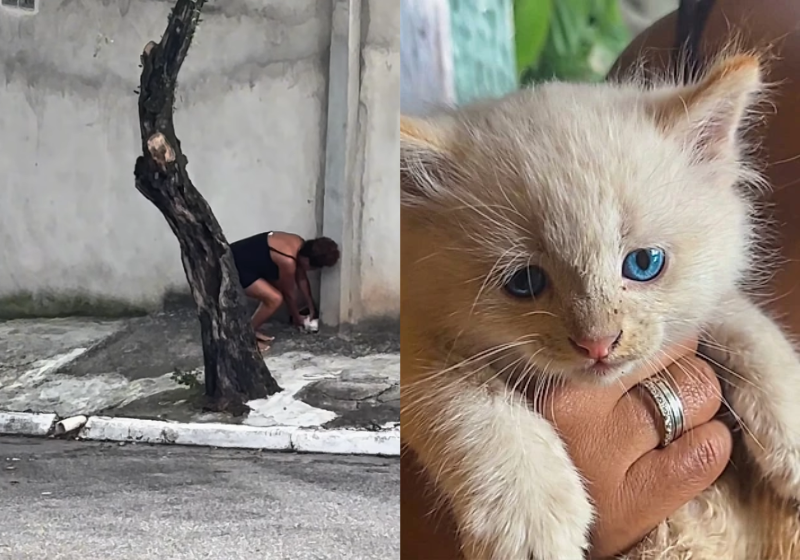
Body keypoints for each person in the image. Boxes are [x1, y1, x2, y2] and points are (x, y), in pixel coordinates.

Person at [403, 0, 800, 557]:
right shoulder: (686, 32)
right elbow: (419, 341)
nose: (597, 336)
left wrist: (752, 349)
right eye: (522, 281)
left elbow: (713, 290)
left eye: (644, 264)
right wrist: (477, 428)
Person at [229, 231, 340, 350]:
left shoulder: (299, 243)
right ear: (307, 260)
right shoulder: (288, 261)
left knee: (273, 296)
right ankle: (244, 338)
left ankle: (250, 330)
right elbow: (288, 293)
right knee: (275, 299)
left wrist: (311, 307)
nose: (311, 270)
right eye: (313, 267)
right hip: (235, 264)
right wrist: (296, 317)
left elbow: (302, 279)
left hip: (248, 262)